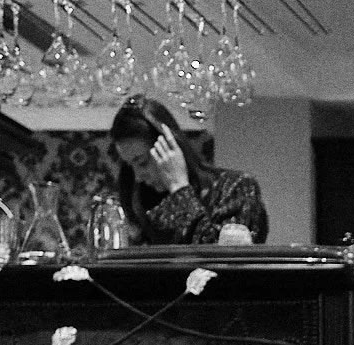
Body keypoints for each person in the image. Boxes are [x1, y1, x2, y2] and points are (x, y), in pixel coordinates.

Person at [109, 95, 269, 248]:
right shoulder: (151, 205)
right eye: (131, 166)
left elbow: (220, 261)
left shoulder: (236, 187)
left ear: (170, 147)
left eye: (142, 163)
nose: (138, 176)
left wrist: (179, 189)